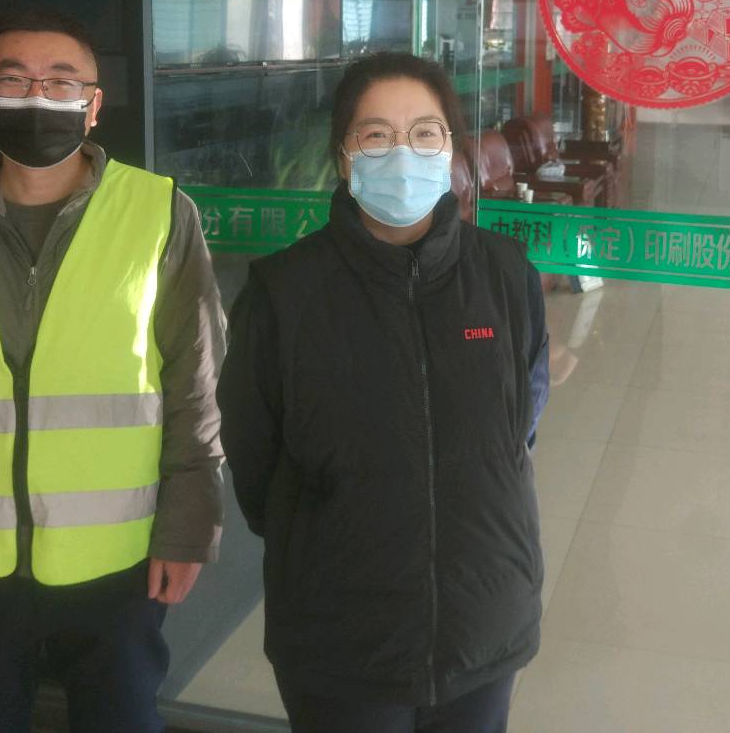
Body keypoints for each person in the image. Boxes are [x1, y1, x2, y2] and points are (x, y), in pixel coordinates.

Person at [0, 10, 225, 732]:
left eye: (61, 81)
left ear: (94, 104)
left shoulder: (157, 212)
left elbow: (196, 387)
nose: (37, 96)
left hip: (116, 561)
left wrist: (188, 528)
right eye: (14, 79)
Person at [217, 52, 550, 733]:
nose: (403, 152)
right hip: (341, 643)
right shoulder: (285, 293)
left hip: (483, 625)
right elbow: (256, 465)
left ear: (450, 149)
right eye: (376, 135)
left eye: (425, 132)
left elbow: (522, 421)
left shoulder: (505, 273)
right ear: (343, 157)